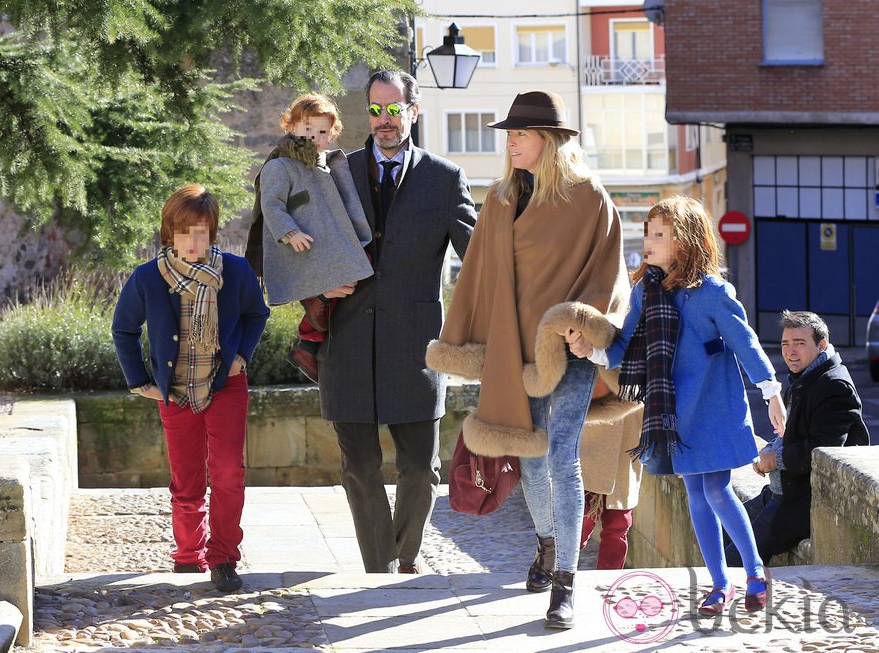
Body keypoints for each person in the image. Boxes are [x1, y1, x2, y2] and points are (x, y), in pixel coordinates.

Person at [426, 89, 630, 629]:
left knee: (560, 455)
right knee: (532, 456)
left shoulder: (591, 198)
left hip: (571, 348)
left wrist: (585, 331)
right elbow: (480, 277)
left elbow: (610, 274)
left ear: (551, 140)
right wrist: (472, 341)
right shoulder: (499, 200)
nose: (511, 141)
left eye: (521, 133)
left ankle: (565, 580)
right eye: (509, 134)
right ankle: (545, 542)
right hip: (514, 352)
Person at [568, 195, 788, 617]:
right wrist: (588, 349)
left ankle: (755, 572)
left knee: (716, 489)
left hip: (715, 408)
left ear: (684, 240)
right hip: (673, 414)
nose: (648, 241)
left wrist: (771, 392)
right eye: (648, 233)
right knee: (696, 494)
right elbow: (623, 349)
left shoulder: (713, 293)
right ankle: (720, 585)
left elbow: (747, 342)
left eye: (659, 235)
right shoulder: (644, 291)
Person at [317, 70, 476, 574]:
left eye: (394, 109)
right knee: (359, 469)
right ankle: (378, 567)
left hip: (417, 347)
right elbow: (302, 246)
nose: (384, 120)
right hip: (348, 342)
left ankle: (403, 559)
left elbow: (477, 262)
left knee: (420, 470)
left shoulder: (445, 178)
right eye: (376, 110)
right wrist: (318, 283)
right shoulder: (334, 172)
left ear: (413, 110)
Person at [112, 184, 270, 592]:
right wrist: (139, 382)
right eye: (185, 231)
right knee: (186, 482)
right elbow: (124, 329)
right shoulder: (148, 278)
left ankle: (222, 558)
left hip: (225, 385)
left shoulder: (234, 271)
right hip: (176, 391)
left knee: (228, 474)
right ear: (170, 233)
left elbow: (257, 314)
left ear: (212, 231)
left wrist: (242, 356)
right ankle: (187, 555)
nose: (194, 240)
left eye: (201, 230)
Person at [725, 310, 870, 566]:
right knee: (722, 527)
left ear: (821, 345)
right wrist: (770, 450)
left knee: (736, 559)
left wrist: (775, 459)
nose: (790, 351)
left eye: (799, 344)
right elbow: (794, 433)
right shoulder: (807, 376)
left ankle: (736, 601)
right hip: (779, 492)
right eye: (785, 344)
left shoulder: (834, 385)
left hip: (798, 501)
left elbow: (822, 450)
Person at [256, 93, 373, 382]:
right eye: (308, 129)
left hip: (329, 244)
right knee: (342, 281)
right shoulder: (279, 166)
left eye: (322, 132)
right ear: (292, 127)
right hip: (304, 248)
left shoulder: (324, 164)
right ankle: (313, 318)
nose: (314, 137)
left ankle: (310, 341)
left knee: (358, 270)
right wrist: (289, 231)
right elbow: (271, 205)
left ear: (331, 135)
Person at [578, 383, 644, 570]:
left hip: (630, 428)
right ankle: (557, 572)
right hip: (594, 418)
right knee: (581, 519)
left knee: (619, 524)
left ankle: (608, 582)